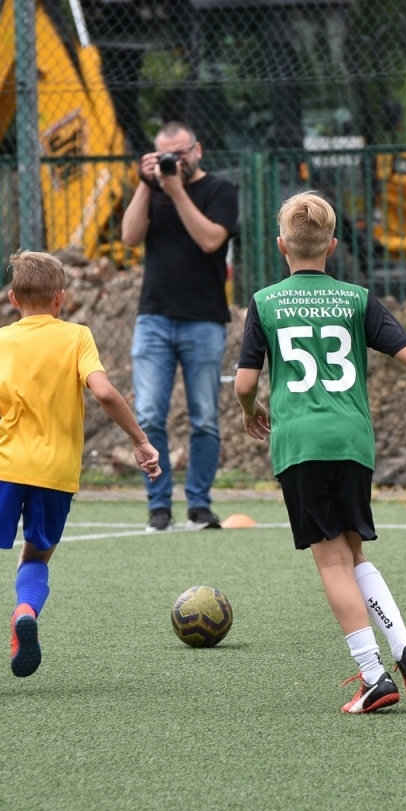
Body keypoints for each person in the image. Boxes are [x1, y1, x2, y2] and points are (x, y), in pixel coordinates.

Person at [234, 191, 406, 714]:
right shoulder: (356, 298)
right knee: (353, 554)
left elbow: (244, 381)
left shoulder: (264, 302)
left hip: (302, 443)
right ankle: (405, 649)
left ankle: (374, 675)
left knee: (331, 562)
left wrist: (249, 409)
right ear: (332, 245)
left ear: (282, 245)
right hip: (353, 441)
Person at [0, 251, 160, 699]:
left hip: (3, 467)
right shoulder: (77, 337)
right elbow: (102, 391)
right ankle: (25, 610)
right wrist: (139, 439)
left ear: (11, 298)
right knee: (36, 558)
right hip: (57, 472)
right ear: (61, 298)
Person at [121, 121, 240, 532]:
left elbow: (211, 240)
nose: (175, 161)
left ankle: (199, 506)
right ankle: (158, 506)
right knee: (149, 414)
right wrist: (145, 185)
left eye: (181, 153)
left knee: (204, 417)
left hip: (204, 320)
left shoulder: (220, 191)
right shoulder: (153, 191)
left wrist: (175, 191)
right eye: (165, 154)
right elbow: (129, 236)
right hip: (154, 317)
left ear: (198, 150)